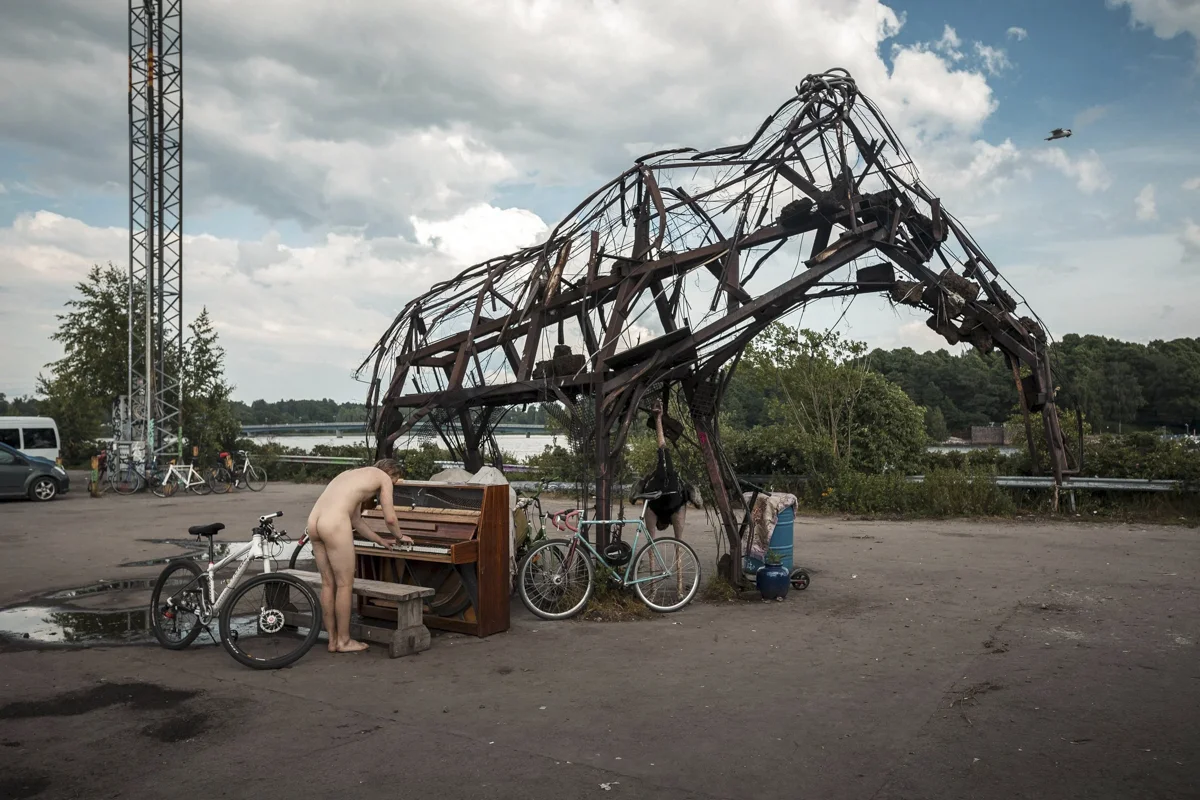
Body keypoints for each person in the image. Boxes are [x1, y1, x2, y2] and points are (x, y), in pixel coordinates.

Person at [305, 459, 413, 653]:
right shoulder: (384, 478)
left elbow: (356, 520)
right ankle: (344, 641)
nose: (393, 485)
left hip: (314, 521)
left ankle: (332, 640)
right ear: (391, 473)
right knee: (345, 584)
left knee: (328, 584)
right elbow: (390, 518)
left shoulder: (350, 475)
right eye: (395, 482)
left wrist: (380, 540)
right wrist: (399, 536)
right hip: (334, 523)